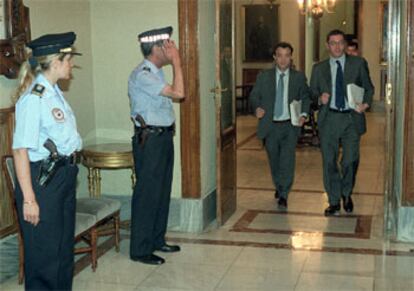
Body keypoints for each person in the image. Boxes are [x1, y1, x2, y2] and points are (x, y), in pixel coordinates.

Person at [12, 32, 82, 290]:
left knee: (62, 253)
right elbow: (20, 150)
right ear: (56, 62)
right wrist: (29, 200)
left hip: (63, 176)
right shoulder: (34, 98)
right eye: (69, 59)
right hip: (42, 182)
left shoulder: (52, 92)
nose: (72, 64)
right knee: (44, 259)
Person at [128, 26, 184, 265]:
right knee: (147, 194)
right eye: (167, 45)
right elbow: (180, 93)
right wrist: (177, 62)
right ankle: (140, 250)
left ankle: (155, 240)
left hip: (162, 138)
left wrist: (173, 62)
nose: (171, 48)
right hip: (149, 140)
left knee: (161, 192)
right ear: (156, 48)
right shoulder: (143, 74)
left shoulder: (157, 72)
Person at [310, 29, 374, 216]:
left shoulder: (358, 63)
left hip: (351, 118)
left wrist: (365, 104)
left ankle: (347, 193)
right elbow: (311, 94)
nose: (337, 46)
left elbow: (369, 88)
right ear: (327, 46)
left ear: (345, 45)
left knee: (349, 160)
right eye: (333, 43)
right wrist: (319, 99)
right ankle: (334, 200)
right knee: (329, 162)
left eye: (340, 42)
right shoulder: (319, 68)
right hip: (329, 118)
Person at [249, 42, 310, 209]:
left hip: (290, 126)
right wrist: (257, 108)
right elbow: (254, 96)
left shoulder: (298, 77)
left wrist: (304, 114)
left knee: (287, 161)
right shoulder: (264, 76)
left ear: (291, 58)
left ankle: (284, 193)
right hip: (270, 126)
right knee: (274, 160)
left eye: (287, 56)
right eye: (280, 55)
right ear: (275, 57)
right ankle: (279, 185)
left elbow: (306, 96)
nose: (283, 60)